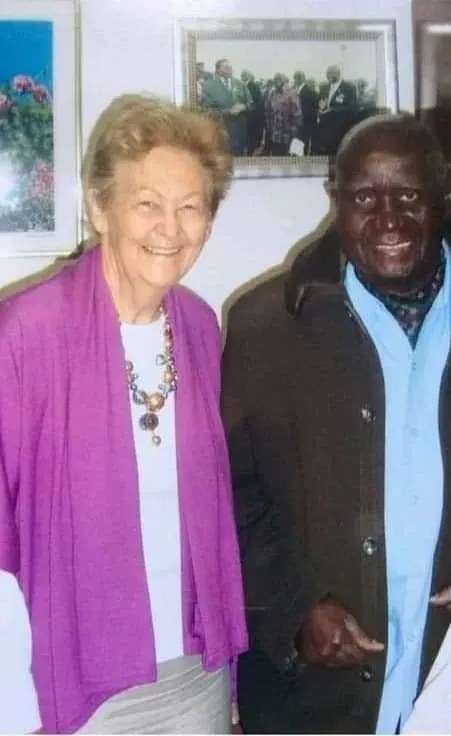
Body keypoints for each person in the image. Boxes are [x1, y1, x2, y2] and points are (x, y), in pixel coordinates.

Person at [221, 113, 451, 733]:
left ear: (444, 196)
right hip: (312, 700)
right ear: (336, 200)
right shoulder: (263, 330)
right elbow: (232, 500)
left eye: (409, 197)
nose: (389, 219)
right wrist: (294, 611)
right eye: (365, 199)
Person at [0, 93, 247, 734]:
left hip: (194, 668)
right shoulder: (26, 334)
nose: (170, 228)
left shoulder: (198, 326)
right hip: (74, 682)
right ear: (98, 207)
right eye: (147, 204)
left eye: (190, 207)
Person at [200, 58, 253, 156]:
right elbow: (205, 111)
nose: (230, 69)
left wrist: (244, 106)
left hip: (238, 133)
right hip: (220, 132)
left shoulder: (240, 84)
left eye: (230, 67)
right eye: (226, 67)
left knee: (238, 158)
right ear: (218, 70)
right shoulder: (209, 86)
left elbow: (250, 103)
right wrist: (228, 111)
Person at [314, 64, 357, 155]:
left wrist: (333, 109)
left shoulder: (348, 88)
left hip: (341, 129)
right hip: (325, 130)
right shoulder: (324, 87)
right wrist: (320, 107)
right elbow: (320, 103)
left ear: (338, 74)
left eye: (331, 73)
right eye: (327, 74)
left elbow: (353, 108)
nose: (328, 76)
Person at [264, 73, 302, 156]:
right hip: (275, 133)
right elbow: (267, 110)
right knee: (276, 155)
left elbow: (297, 113)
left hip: (287, 132)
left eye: (279, 80)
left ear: (284, 81)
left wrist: (294, 128)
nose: (276, 82)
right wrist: (269, 127)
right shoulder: (272, 93)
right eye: (275, 80)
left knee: (286, 156)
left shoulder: (292, 93)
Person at [293, 70, 319, 156]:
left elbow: (315, 108)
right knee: (295, 145)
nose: (296, 79)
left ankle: (303, 160)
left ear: (303, 79)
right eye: (295, 77)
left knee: (303, 144)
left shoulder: (310, 92)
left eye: (299, 77)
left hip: (305, 123)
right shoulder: (293, 90)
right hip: (294, 123)